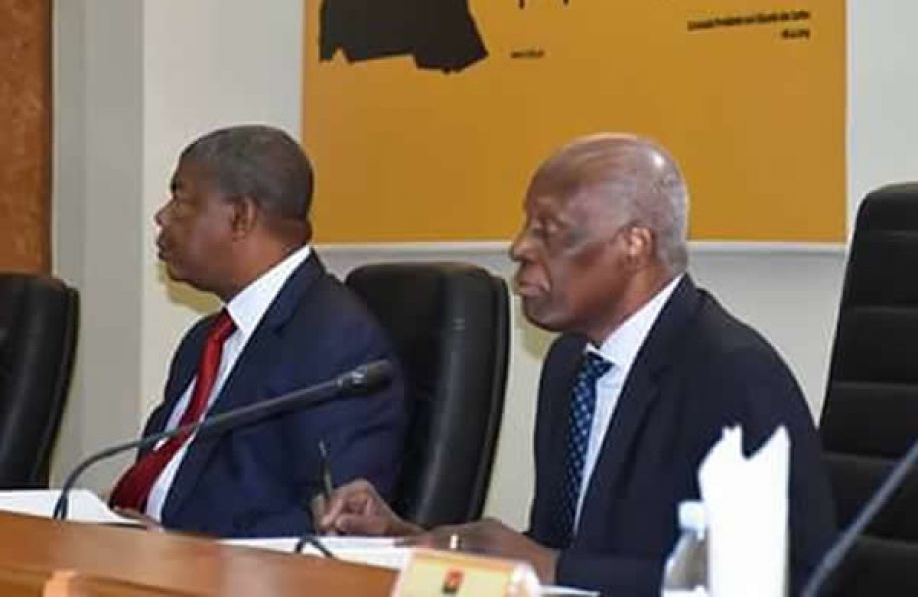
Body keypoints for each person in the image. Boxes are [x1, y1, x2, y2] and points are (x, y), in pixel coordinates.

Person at [318, 133, 836, 595]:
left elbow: (784, 577)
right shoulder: (571, 363)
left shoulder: (733, 375)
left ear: (633, 245)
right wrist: (410, 541)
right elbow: (562, 548)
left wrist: (554, 567)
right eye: (527, 225)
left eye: (548, 230)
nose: (518, 247)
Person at [108, 125, 406, 537]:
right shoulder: (205, 340)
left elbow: (335, 526)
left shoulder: (338, 344)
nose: (162, 216)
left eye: (181, 199)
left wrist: (179, 548)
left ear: (240, 217)